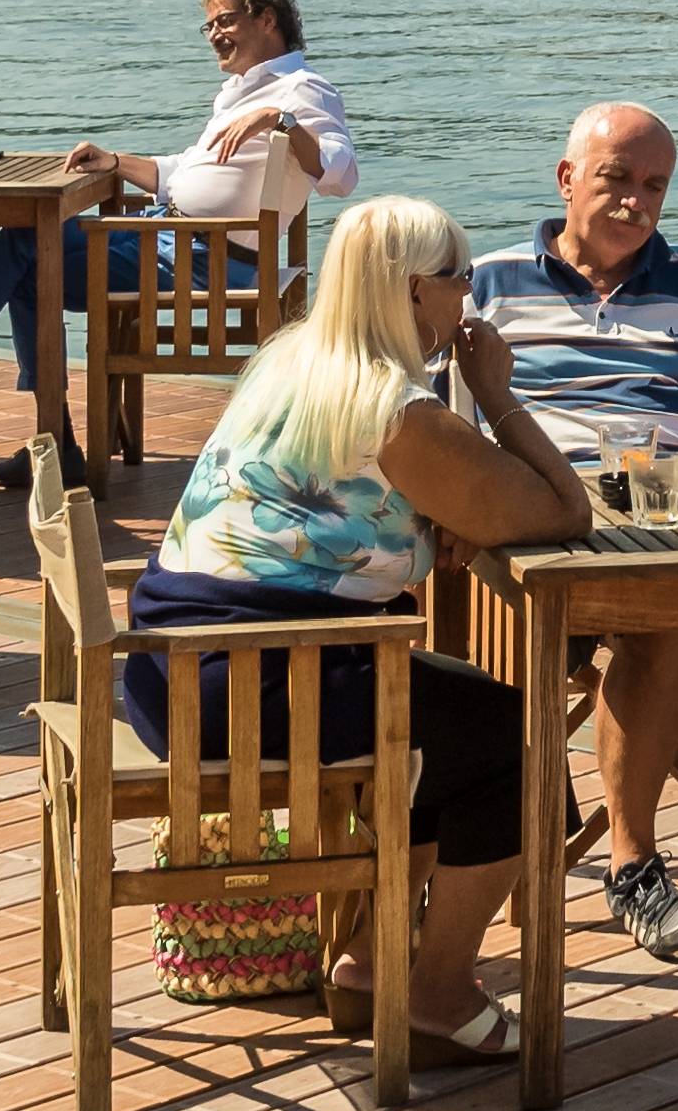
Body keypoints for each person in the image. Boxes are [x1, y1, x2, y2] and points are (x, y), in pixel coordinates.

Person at [115, 193, 591, 1065]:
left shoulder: (294, 361)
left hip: (174, 669)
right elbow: (564, 509)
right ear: (413, 292)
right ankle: (437, 991)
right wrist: (498, 397)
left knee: (467, 716)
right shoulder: (396, 410)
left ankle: (375, 965)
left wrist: (444, 509)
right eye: (459, 279)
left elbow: (370, 503)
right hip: (257, 678)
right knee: (521, 747)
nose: (469, 300)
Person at [468, 102, 678, 960]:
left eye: (653, 185)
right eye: (616, 178)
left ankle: (632, 865)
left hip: (673, 517)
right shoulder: (487, 282)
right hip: (532, 516)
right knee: (503, 627)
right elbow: (440, 424)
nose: (635, 201)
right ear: (567, 179)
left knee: (661, 618)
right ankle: (497, 817)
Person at [0, 0, 360, 492]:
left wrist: (279, 121)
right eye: (209, 25)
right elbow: (184, 175)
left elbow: (340, 174)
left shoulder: (302, 91)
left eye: (226, 21)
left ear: (267, 20)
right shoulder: (239, 94)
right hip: (163, 238)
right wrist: (118, 161)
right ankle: (50, 440)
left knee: (31, 248)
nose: (215, 34)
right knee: (31, 247)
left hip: (200, 262)